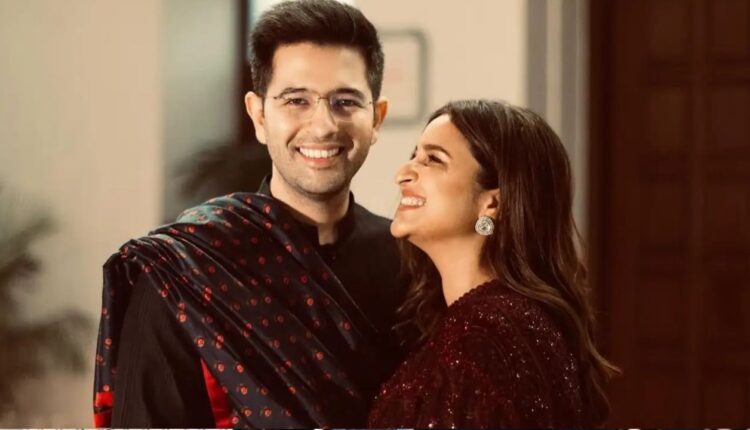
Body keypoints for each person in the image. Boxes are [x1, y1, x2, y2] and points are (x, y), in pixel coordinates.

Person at [92, 0, 406, 427]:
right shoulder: (186, 271)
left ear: (377, 119)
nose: (323, 126)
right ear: (258, 115)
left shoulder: (411, 260)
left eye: (345, 101)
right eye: (296, 100)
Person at [368, 99, 619, 428]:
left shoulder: (484, 337)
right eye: (414, 156)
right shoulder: (504, 322)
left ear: (493, 203)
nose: (402, 174)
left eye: (433, 160)